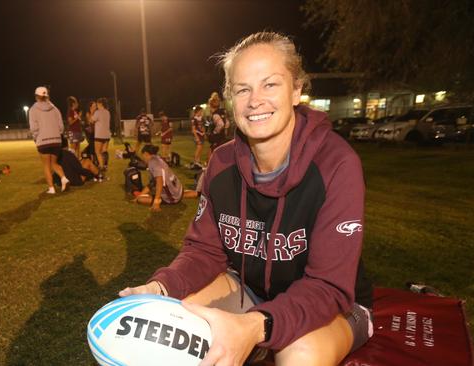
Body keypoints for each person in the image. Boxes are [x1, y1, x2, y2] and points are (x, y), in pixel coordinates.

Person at [120, 31, 373, 366]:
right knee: (183, 317)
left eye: (270, 84)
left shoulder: (336, 164)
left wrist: (256, 326)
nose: (255, 100)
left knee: (299, 353)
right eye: (242, 89)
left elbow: (327, 286)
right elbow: (204, 251)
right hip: (253, 289)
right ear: (230, 98)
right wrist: (161, 289)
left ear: (296, 89)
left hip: (332, 304)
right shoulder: (222, 163)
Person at [28, 86, 70, 194]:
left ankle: (51, 188)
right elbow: (61, 126)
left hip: (43, 140)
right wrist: (57, 135)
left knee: (46, 165)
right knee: (54, 163)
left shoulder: (33, 109)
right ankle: (63, 178)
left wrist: (36, 138)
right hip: (56, 140)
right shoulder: (55, 108)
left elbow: (34, 128)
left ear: (36, 96)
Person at [133, 144, 198, 212]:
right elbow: (152, 183)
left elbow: (159, 182)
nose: (143, 158)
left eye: (142, 155)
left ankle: (170, 198)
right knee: (141, 196)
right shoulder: (157, 158)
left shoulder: (153, 163)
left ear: (146, 153)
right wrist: (140, 194)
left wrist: (156, 202)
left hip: (172, 196)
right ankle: (198, 193)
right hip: (178, 189)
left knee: (140, 200)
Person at [92, 98, 111, 170]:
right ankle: (105, 165)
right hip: (107, 134)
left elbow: (91, 120)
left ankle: (101, 166)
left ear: (100, 104)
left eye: (97, 103)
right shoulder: (107, 112)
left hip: (99, 134)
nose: (96, 105)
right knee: (104, 150)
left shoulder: (97, 112)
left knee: (97, 151)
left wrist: (93, 111)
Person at [207, 92, 228, 156]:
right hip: (222, 137)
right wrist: (225, 131)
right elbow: (227, 123)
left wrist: (214, 132)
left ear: (211, 105)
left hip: (217, 138)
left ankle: (210, 165)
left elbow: (221, 124)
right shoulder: (222, 112)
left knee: (213, 154)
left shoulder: (215, 114)